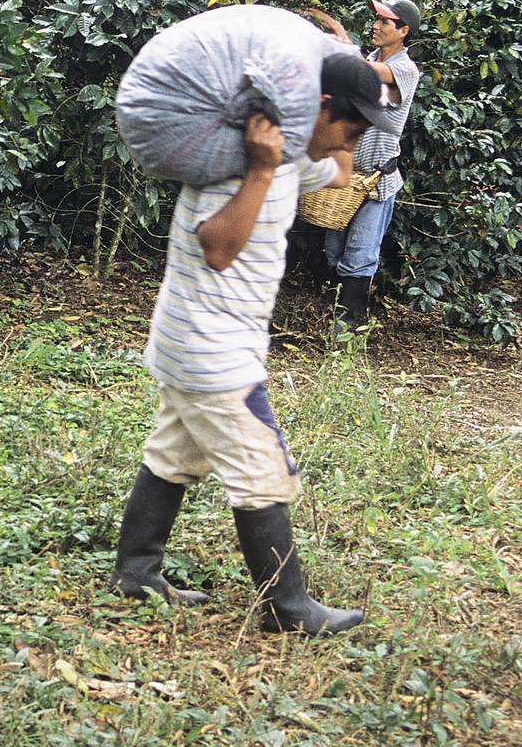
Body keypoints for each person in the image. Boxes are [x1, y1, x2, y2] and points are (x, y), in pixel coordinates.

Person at [110, 54, 393, 636]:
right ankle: (290, 610)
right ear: (318, 110)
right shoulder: (243, 161)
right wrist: (261, 170)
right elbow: (217, 245)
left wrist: (340, 59)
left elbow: (340, 175)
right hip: (211, 351)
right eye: (351, 128)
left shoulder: (291, 158)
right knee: (262, 468)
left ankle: (136, 574)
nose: (354, 142)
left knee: (174, 454)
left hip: (197, 342)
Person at [307, 0, 423, 331]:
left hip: (376, 180)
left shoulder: (404, 69)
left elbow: (363, 73)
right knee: (334, 248)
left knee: (361, 250)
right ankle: (339, 308)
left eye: (386, 22)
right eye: (377, 20)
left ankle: (351, 319)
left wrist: (337, 44)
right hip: (347, 177)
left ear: (403, 31)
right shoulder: (368, 58)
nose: (377, 25)